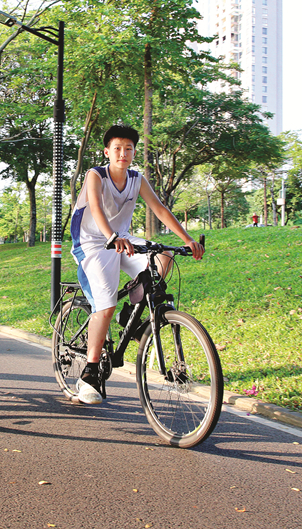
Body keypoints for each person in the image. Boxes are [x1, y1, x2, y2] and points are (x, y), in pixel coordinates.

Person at [69, 125, 204, 404]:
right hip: (93, 242)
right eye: (117, 148)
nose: (123, 153)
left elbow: (160, 209)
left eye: (128, 148)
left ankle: (130, 312)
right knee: (105, 305)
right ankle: (90, 373)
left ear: (133, 153)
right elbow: (95, 207)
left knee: (163, 257)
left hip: (123, 239)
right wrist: (111, 236)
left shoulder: (136, 178)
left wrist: (188, 240)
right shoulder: (95, 175)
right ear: (107, 152)